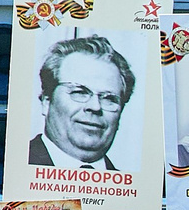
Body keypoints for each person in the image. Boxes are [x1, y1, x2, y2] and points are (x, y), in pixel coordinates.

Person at [28, 34, 134, 169]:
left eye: (109, 98)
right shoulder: (12, 167)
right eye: (79, 92)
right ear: (46, 102)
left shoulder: (136, 188)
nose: (95, 107)